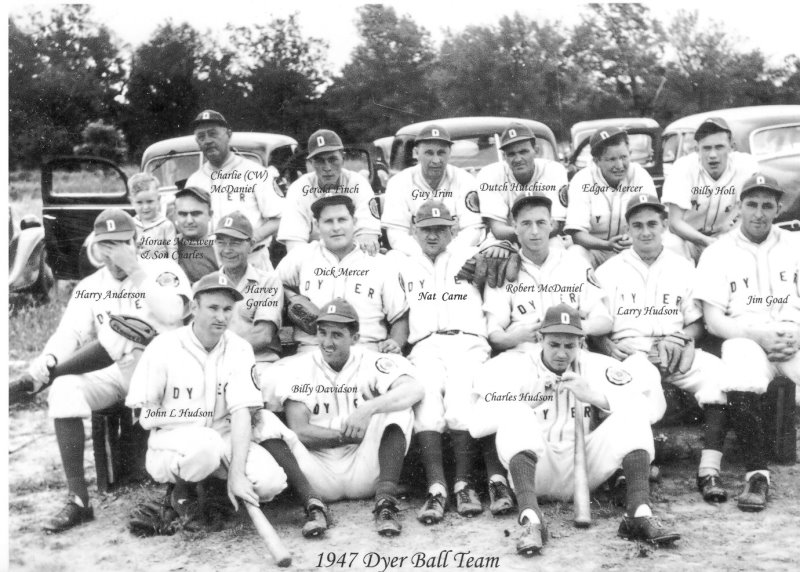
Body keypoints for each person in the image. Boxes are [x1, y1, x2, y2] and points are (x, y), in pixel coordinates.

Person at [25, 209, 192, 533]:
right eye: (107, 244)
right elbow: (69, 333)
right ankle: (78, 500)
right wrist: (49, 358)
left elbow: (173, 312)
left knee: (122, 336)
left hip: (166, 375)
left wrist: (136, 270)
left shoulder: (163, 269)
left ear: (135, 241)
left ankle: (181, 492)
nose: (114, 252)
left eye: (121, 243)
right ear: (96, 246)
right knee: (64, 388)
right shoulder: (91, 284)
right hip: (118, 374)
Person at [125, 272, 329, 536]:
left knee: (270, 483)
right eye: (213, 308)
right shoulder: (164, 346)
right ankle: (179, 494)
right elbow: (145, 415)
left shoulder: (240, 348)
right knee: (205, 445)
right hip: (172, 444)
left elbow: (242, 413)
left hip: (224, 439)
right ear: (194, 308)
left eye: (227, 309)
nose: (221, 317)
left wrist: (236, 474)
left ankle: (212, 495)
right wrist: (196, 417)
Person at [471, 304, 679, 556]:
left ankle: (639, 514)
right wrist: (527, 400)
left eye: (569, 346)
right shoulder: (514, 367)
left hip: (587, 467)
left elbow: (651, 409)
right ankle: (531, 519)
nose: (561, 353)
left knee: (631, 413)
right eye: (554, 344)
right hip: (538, 469)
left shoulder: (597, 365)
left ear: (580, 343)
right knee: (517, 412)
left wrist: (597, 397)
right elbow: (476, 425)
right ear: (540, 339)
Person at [594, 193, 730, 502]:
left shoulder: (683, 267)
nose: (645, 232)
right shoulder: (609, 272)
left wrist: (681, 338)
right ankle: (636, 469)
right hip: (634, 351)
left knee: (717, 375)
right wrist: (602, 342)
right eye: (637, 225)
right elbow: (596, 322)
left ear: (665, 225)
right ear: (627, 229)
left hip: (675, 346)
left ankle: (709, 471)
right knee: (635, 387)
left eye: (652, 224)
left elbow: (697, 322)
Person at [394, 200, 513, 523]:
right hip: (425, 344)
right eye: (426, 229)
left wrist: (501, 246)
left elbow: (507, 251)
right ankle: (437, 487)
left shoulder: (469, 254)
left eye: (440, 229)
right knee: (427, 399)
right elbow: (399, 314)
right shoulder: (400, 263)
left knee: (461, 399)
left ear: (453, 230)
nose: (433, 235)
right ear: (413, 231)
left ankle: (463, 483)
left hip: (468, 341)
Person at [264, 299, 424, 536]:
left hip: (366, 469)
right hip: (318, 473)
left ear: (355, 338)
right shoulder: (299, 368)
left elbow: (414, 390)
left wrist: (367, 409)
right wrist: (346, 436)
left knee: (397, 406)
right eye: (322, 333)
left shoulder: (371, 361)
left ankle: (386, 502)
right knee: (263, 421)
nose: (327, 342)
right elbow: (301, 432)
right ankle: (312, 504)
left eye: (337, 335)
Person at [694, 174, 800, 512]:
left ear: (778, 208)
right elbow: (713, 320)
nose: (759, 213)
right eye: (751, 204)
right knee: (740, 373)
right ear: (739, 206)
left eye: (767, 205)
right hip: (746, 336)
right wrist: (758, 335)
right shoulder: (718, 251)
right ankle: (758, 474)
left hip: (793, 335)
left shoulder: (795, 244)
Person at [482, 193, 610, 356]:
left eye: (541, 223)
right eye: (526, 223)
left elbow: (604, 320)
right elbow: (494, 334)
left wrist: (577, 327)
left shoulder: (575, 263)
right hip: (523, 354)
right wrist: (515, 337)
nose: (534, 231)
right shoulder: (503, 268)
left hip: (572, 353)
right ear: (515, 227)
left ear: (551, 224)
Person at [276, 195, 408, 353]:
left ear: (354, 222)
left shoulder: (380, 263)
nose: (336, 227)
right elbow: (271, 286)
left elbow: (400, 316)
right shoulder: (302, 256)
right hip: (312, 351)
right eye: (328, 221)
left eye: (342, 220)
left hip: (365, 349)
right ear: (317, 225)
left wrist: (395, 342)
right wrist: (293, 298)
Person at [184, 110, 283, 268]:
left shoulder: (256, 172)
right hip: (212, 264)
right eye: (201, 137)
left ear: (229, 135)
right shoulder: (194, 181)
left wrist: (251, 239)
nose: (207, 140)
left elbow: (280, 218)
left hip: (253, 260)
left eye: (213, 133)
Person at [212, 211, 284, 410]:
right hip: (214, 365)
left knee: (268, 384)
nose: (227, 250)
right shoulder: (206, 284)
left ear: (251, 244)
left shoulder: (268, 281)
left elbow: (263, 335)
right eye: (221, 242)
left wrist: (220, 353)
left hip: (258, 364)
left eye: (235, 242)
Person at [662, 117, 759, 262]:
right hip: (688, 238)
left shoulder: (747, 166)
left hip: (726, 236)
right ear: (697, 150)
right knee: (671, 245)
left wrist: (730, 238)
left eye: (719, 147)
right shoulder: (683, 167)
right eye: (706, 148)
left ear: (731, 147)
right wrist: (706, 242)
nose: (713, 155)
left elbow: (751, 211)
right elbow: (674, 223)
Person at [382, 124, 483, 256]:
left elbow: (473, 229)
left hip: (455, 254)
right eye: (429, 153)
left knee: (473, 253)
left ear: (449, 153)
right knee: (395, 256)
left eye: (441, 153)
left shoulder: (465, 179)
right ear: (416, 153)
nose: (436, 160)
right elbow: (396, 233)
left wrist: (447, 256)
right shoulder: (399, 182)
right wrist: (423, 257)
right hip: (413, 255)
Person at [565, 127, 658, 268]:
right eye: (611, 159)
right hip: (595, 250)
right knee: (575, 254)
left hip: (632, 248)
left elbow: (652, 220)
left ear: (630, 153)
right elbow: (577, 234)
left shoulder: (640, 175)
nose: (619, 165)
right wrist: (607, 245)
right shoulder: (582, 179)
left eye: (623, 157)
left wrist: (633, 239)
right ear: (596, 161)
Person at [277, 129, 381, 254]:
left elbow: (368, 236)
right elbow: (294, 245)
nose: (327, 167)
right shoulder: (298, 188)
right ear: (311, 163)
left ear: (343, 158)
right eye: (320, 160)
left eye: (333, 159)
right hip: (314, 259)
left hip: (354, 257)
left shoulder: (357, 183)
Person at [477, 123, 569, 244]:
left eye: (523, 152)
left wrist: (528, 236)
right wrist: (529, 235)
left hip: (547, 238)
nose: (518, 159)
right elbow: (498, 230)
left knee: (556, 249)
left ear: (536, 150)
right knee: (493, 255)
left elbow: (556, 225)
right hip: (505, 241)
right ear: (504, 156)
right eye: (511, 154)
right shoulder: (489, 174)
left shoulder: (554, 170)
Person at [128, 173, 177, 261]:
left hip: (161, 270)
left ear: (158, 200)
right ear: (132, 202)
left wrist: (172, 272)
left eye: (150, 201)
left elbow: (172, 251)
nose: (145, 207)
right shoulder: (131, 224)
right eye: (139, 202)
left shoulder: (166, 225)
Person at [173, 186, 218, 284]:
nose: (189, 221)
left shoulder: (220, 251)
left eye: (196, 213)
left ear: (210, 215)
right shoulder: (167, 247)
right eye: (183, 214)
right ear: (175, 215)